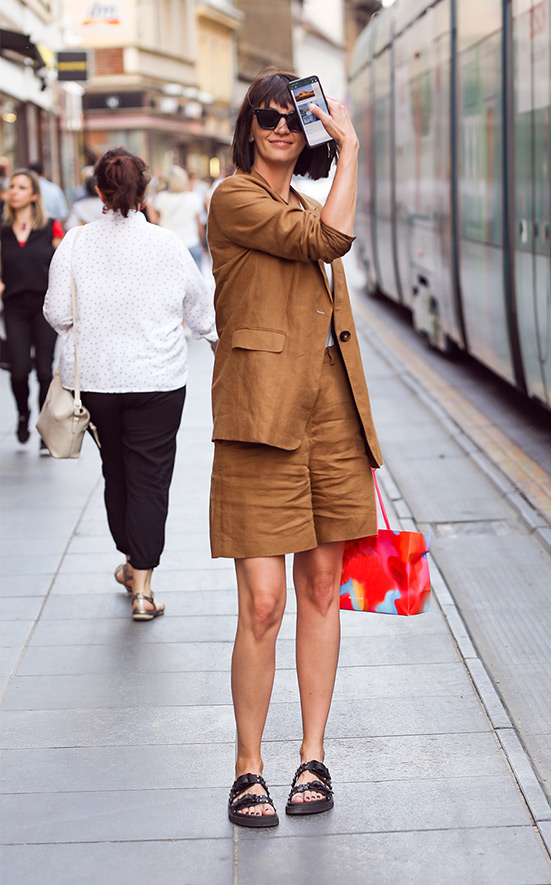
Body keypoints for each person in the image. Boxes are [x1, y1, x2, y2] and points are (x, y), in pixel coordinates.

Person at [208, 67, 383, 828]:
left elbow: (330, 289)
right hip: (259, 424)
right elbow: (332, 239)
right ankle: (249, 763)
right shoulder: (234, 198)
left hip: (330, 423)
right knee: (265, 602)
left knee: (320, 591)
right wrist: (352, 150)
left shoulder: (306, 200)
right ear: (249, 127)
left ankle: (312, 755)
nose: (281, 127)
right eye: (268, 116)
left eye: (292, 117)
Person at [44, 147, 217, 620]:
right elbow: (201, 313)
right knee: (151, 479)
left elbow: (57, 313)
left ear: (98, 191)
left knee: (117, 471)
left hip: (95, 381)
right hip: (158, 380)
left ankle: (129, 559)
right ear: (146, 191)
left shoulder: (75, 243)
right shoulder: (166, 245)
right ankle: (142, 585)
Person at [0, 168, 64, 452]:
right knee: (18, 370)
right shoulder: (2, 230)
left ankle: (43, 427)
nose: (14, 191)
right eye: (12, 186)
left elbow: (63, 265)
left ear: (35, 195)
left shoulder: (50, 227)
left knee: (44, 371)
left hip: (44, 307)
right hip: (13, 306)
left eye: (22, 187)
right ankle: (23, 414)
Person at [151, 165, 205, 267]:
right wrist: (202, 244)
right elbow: (199, 225)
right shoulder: (193, 197)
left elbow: (155, 221)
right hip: (192, 243)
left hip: (169, 247)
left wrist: (149, 205)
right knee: (196, 280)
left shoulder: (161, 198)